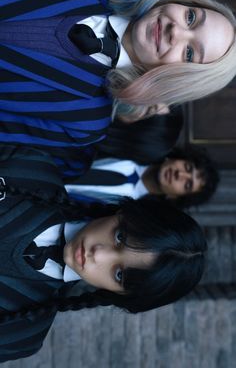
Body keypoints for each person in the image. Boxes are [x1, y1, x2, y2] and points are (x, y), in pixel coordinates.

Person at [0, 0, 234, 180]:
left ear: (176, 79)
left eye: (189, 53)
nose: (176, 31)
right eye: (191, 17)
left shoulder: (86, 122)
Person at [0, 145, 207, 362]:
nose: (98, 255)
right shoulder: (33, 170)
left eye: (119, 274)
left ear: (120, 295)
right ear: (125, 211)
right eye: (120, 237)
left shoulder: (24, 333)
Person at [66, 145, 219, 208]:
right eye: (187, 167)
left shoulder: (128, 211)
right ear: (176, 158)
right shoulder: (132, 145)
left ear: (176, 198)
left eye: (187, 184)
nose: (181, 174)